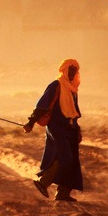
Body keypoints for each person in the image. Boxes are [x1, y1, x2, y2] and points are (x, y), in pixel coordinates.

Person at [23, 59, 83, 201]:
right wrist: (30, 123)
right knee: (65, 157)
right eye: (71, 70)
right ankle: (43, 182)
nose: (73, 73)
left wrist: (77, 129)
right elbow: (41, 105)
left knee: (72, 160)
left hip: (70, 128)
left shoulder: (73, 88)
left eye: (75, 71)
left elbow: (74, 111)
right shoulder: (56, 85)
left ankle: (63, 193)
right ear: (64, 70)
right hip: (57, 127)